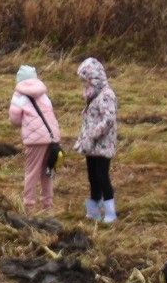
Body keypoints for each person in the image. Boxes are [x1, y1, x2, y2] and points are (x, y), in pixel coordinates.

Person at [8, 65, 61, 214]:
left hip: (34, 140)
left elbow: (14, 120)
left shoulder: (18, 96)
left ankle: (28, 207)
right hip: (52, 138)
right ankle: (48, 207)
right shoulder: (44, 93)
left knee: (32, 172)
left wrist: (25, 123)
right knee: (48, 172)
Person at [74, 57, 119, 224]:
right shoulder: (93, 94)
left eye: (85, 80)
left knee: (102, 176)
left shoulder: (107, 95)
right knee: (92, 176)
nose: (84, 83)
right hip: (91, 145)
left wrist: (93, 133)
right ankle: (93, 211)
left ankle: (110, 213)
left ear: (93, 78)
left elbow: (108, 120)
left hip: (102, 144)